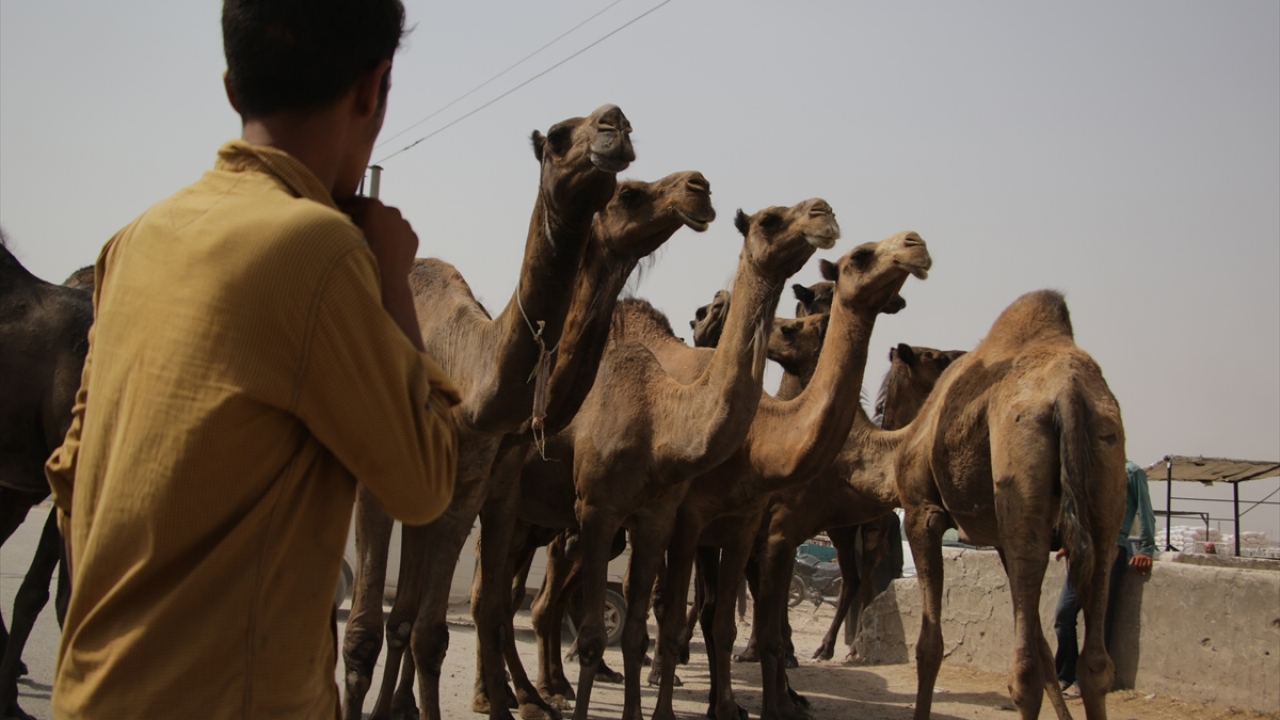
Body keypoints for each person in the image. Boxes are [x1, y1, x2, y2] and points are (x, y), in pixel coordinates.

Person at [44, 2, 460, 716]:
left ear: (232, 85)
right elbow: (424, 482)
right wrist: (393, 276)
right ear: (372, 89)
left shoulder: (135, 240)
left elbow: (74, 481)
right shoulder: (321, 254)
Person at [1054, 459, 1157, 697]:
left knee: (1099, 619)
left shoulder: (1131, 473)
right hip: (1082, 549)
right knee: (1063, 615)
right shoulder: (1087, 469)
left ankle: (1088, 679)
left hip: (1111, 547)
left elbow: (1145, 510)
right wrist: (1069, 543)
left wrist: (1145, 550)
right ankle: (1064, 674)